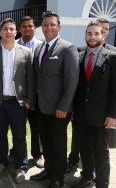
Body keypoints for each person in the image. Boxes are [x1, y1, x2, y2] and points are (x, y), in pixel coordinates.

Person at [29, 11, 79, 188]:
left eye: (52, 24)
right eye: (45, 24)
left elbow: (72, 81)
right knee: (46, 142)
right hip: (41, 106)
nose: (48, 27)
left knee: (58, 144)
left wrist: (64, 106)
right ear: (41, 27)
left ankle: (58, 177)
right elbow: (37, 77)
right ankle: (49, 170)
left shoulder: (67, 48)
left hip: (59, 108)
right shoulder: (39, 47)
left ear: (59, 26)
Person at [66, 17, 116, 173]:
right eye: (89, 33)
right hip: (81, 114)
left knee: (101, 151)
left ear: (102, 36)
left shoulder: (113, 57)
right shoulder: (78, 54)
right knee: (84, 149)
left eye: (96, 33)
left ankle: (102, 183)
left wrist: (113, 115)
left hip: (101, 115)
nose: (92, 36)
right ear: (85, 35)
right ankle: (87, 177)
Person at [0, 18, 33, 184]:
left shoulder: (26, 52)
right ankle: (2, 161)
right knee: (0, 135)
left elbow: (31, 79)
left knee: (20, 136)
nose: (9, 32)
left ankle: (21, 166)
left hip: (18, 103)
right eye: (5, 29)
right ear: (0, 32)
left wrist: (28, 100)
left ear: (16, 31)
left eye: (12, 29)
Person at [12, 15, 44, 168]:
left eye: (30, 26)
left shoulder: (41, 46)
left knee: (36, 126)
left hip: (36, 94)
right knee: (17, 127)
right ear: (20, 29)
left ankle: (37, 155)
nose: (27, 29)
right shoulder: (12, 44)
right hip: (16, 95)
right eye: (24, 26)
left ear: (34, 28)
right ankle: (16, 152)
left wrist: (32, 97)